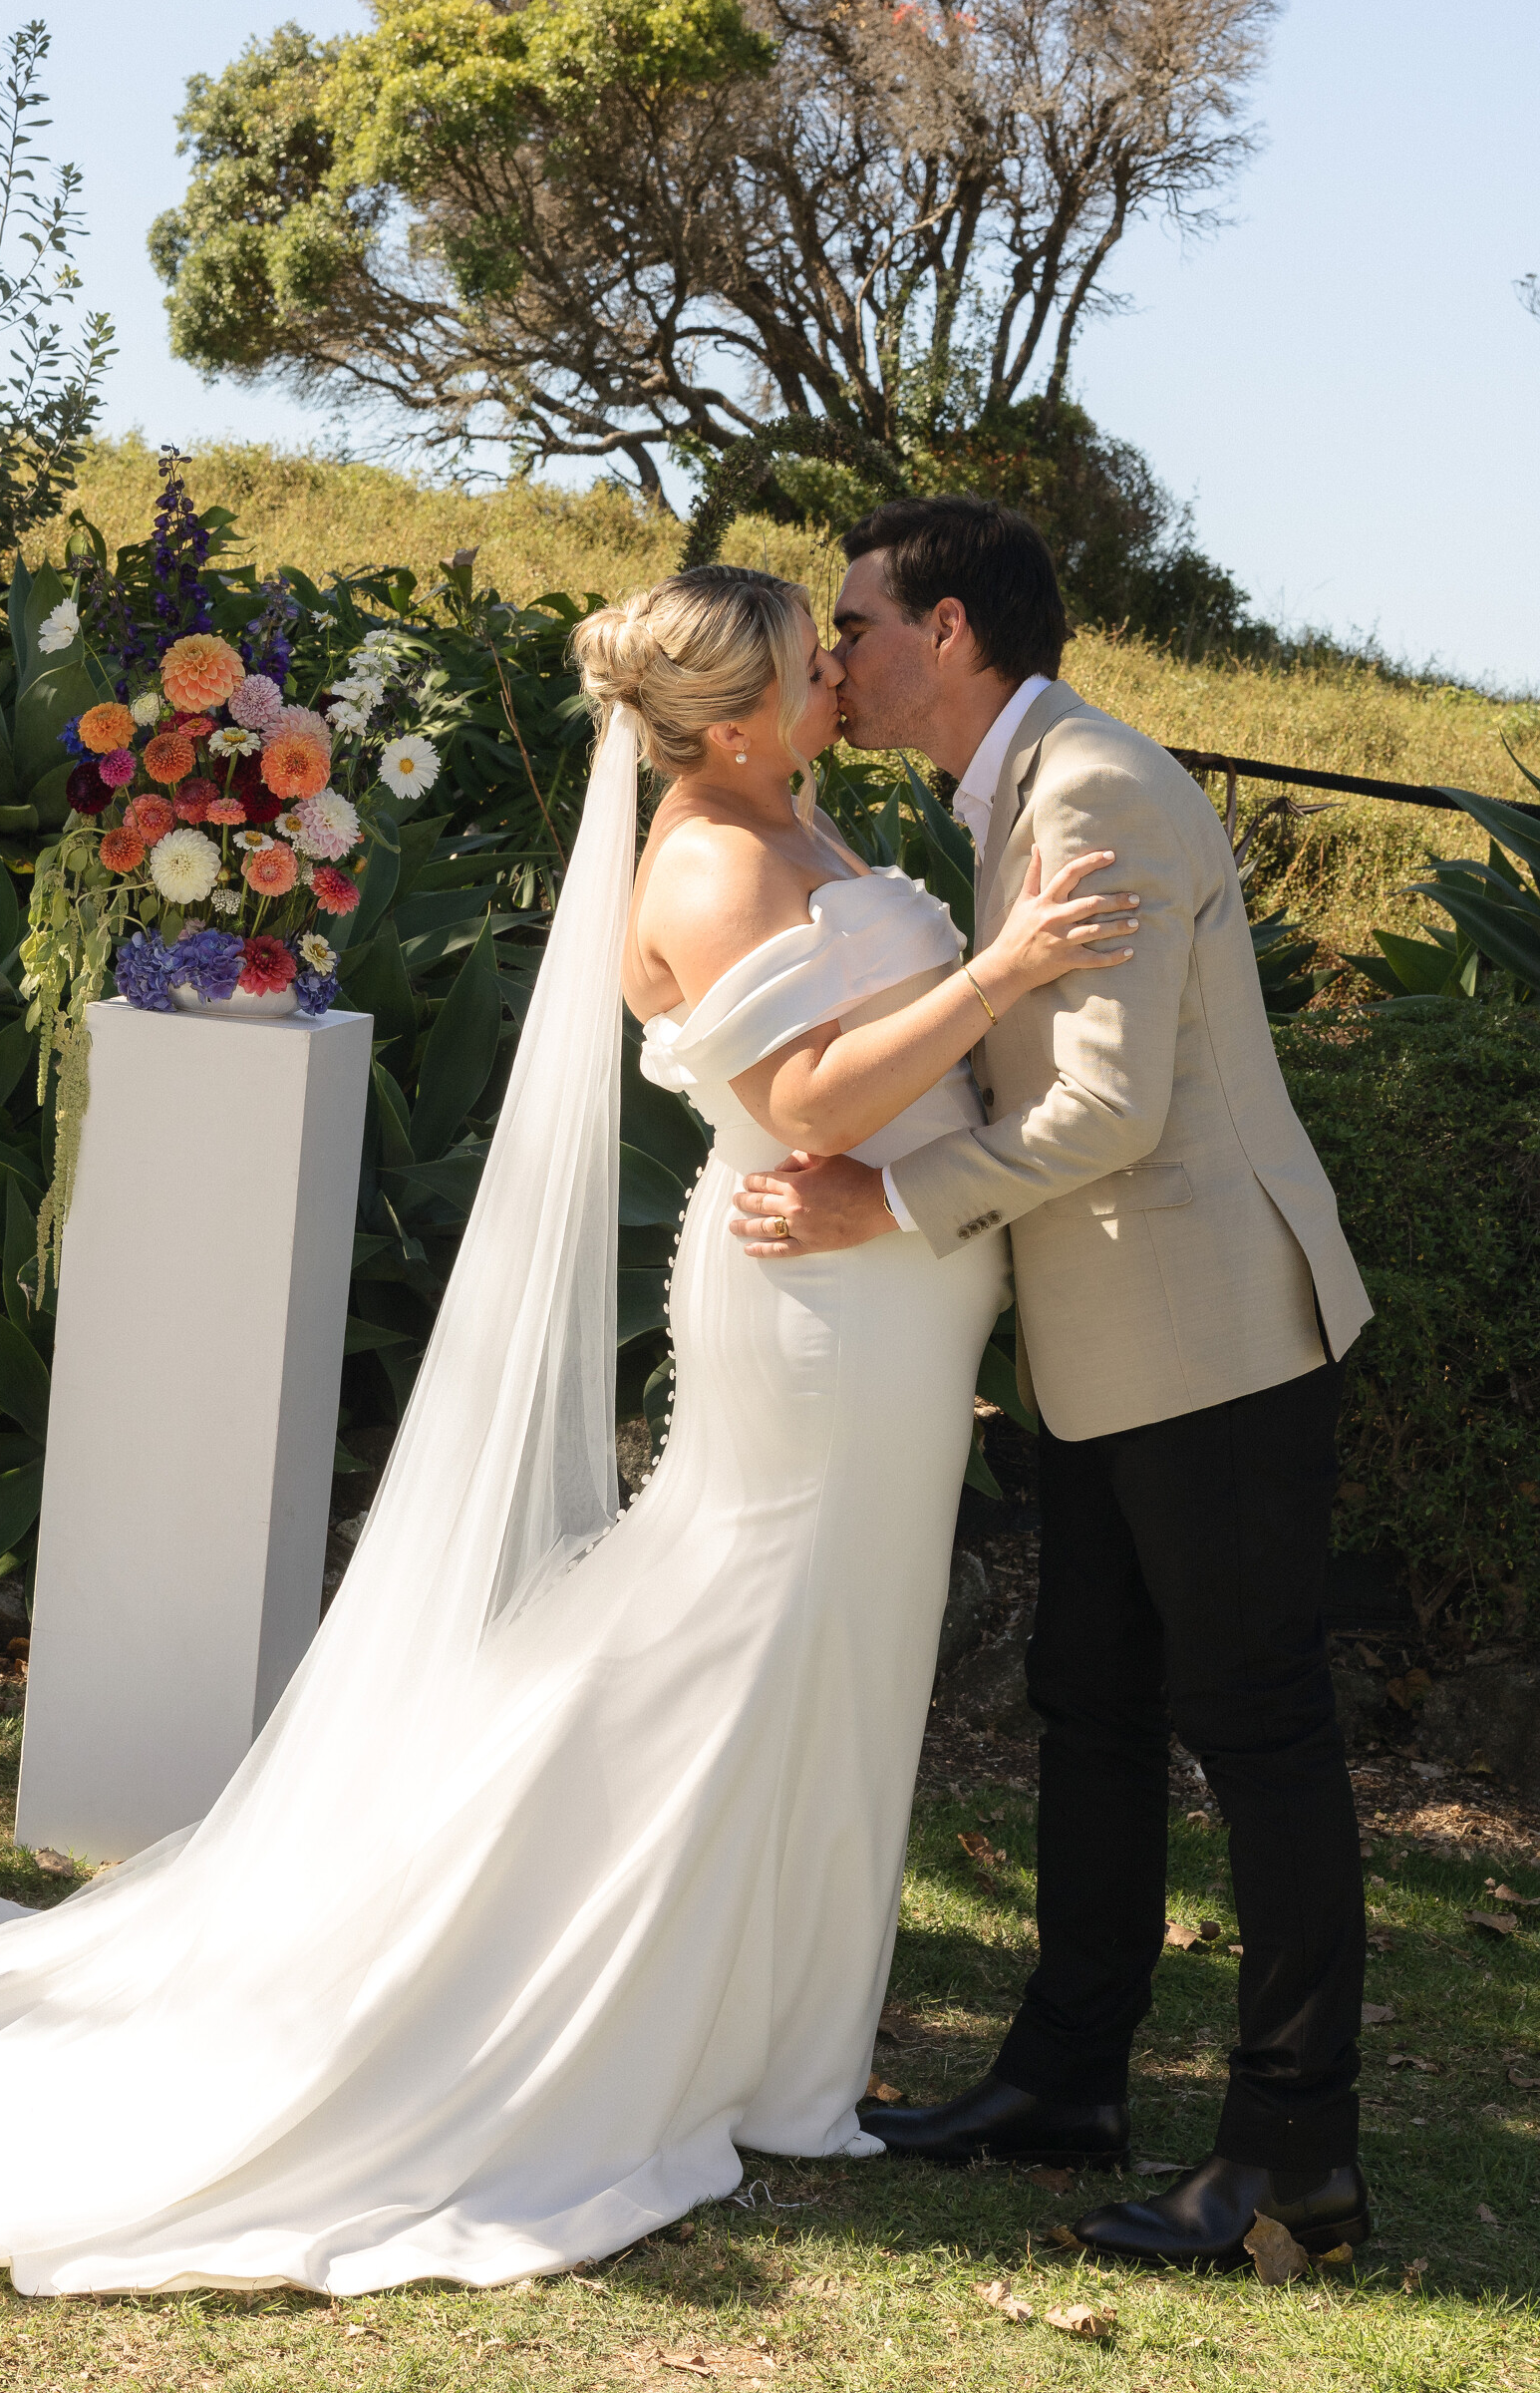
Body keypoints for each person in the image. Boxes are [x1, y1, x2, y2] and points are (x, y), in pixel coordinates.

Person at [0, 565, 1134, 2329]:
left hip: (896, 1315)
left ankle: (774, 2032)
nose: (838, 678)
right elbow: (803, 1102)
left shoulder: (797, 820)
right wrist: (1012, 968)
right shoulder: (713, 863)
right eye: (813, 662)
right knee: (743, 1628)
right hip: (815, 1320)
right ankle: (531, 1968)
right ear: (732, 723)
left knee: (833, 1651)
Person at [729, 499, 1376, 2269]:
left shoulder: (1094, 790)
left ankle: (1296, 2160)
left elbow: (1109, 1109)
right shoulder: (999, 794)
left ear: (948, 632)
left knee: (1259, 1731)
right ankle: (1066, 2080)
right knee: (1090, 1705)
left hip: (1215, 1336)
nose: (833, 656)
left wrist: (885, 1204)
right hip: (1101, 1345)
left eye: (856, 623)